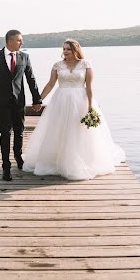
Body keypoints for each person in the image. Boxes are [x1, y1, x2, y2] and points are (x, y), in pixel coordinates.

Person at [23, 39, 125, 180]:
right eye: (64, 49)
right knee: (59, 129)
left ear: (75, 50)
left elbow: (89, 88)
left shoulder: (86, 65)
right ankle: (57, 160)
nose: (65, 51)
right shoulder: (57, 65)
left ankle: (79, 161)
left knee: (78, 131)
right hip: (61, 100)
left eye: (68, 49)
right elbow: (51, 84)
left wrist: (90, 107)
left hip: (80, 101)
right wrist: (38, 100)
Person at [0, 30, 42, 181]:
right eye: (19, 40)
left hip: (19, 102)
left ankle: (18, 158)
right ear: (10, 41)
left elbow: (31, 79)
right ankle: (6, 167)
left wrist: (37, 100)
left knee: (19, 132)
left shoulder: (24, 57)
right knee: (5, 134)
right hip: (2, 103)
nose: (22, 43)